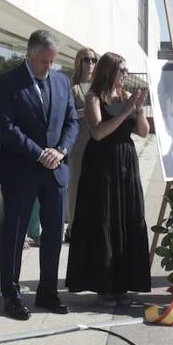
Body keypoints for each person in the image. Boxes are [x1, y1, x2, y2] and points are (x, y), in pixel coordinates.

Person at [0, 29, 78, 320]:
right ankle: (12, 295)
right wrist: (40, 153)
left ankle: (48, 291)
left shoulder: (62, 81)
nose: (49, 67)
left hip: (55, 171)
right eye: (44, 61)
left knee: (53, 234)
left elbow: (71, 121)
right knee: (15, 235)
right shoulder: (7, 82)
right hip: (21, 170)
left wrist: (61, 150)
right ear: (29, 55)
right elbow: (7, 128)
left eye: (52, 61)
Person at [65, 52, 151, 302]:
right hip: (101, 164)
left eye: (126, 70)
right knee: (104, 219)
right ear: (109, 71)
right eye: (121, 70)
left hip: (125, 161)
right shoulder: (94, 97)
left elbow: (143, 132)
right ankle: (102, 284)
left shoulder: (125, 97)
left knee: (127, 218)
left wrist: (140, 110)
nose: (125, 75)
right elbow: (99, 132)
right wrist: (125, 111)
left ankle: (123, 282)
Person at [64, 47, 97, 239]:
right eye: (86, 59)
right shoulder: (72, 87)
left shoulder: (100, 86)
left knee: (95, 187)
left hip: (99, 142)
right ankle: (72, 228)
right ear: (79, 62)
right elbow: (66, 116)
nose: (90, 63)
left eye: (94, 60)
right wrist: (87, 112)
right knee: (75, 186)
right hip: (79, 142)